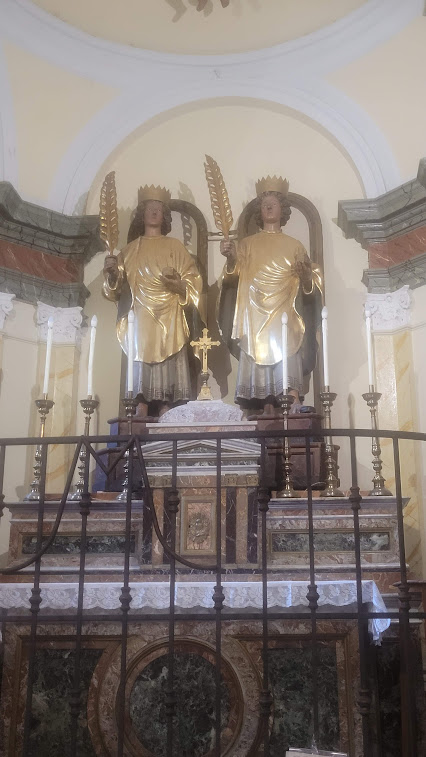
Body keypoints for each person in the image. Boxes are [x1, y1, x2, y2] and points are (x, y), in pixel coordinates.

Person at [218, 176, 322, 414]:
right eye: (264, 205)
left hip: (285, 308)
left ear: (282, 210)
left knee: (288, 343)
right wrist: (231, 257)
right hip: (254, 310)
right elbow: (233, 278)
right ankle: (262, 401)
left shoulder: (295, 245)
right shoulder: (246, 245)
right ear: (259, 211)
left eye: (273, 204)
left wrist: (306, 276)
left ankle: (291, 395)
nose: (268, 207)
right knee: (256, 348)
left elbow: (308, 287)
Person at [102, 185, 205, 416]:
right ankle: (141, 406)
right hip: (140, 316)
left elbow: (193, 280)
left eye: (159, 209)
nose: (154, 212)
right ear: (142, 214)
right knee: (141, 357)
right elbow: (115, 292)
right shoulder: (129, 250)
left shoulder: (175, 247)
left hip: (169, 314)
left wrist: (178, 285)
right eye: (149, 208)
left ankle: (167, 407)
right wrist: (112, 274)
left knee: (170, 358)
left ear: (165, 216)